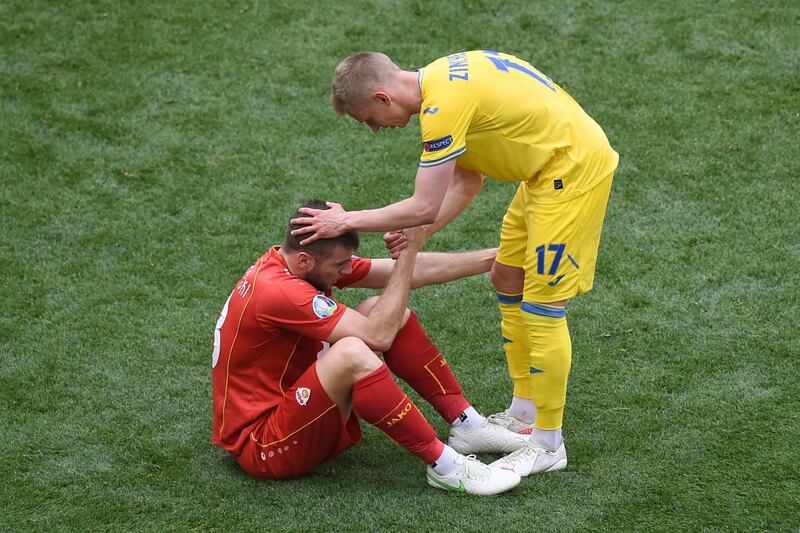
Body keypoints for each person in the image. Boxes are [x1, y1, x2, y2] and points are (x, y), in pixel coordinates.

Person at [290, 51, 619, 476]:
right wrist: (419, 235)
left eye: (367, 118)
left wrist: (346, 219)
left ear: (382, 96)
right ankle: (523, 413)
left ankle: (548, 443)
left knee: (542, 307)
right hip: (544, 172)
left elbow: (424, 204)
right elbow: (468, 179)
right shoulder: (445, 80)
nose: (373, 128)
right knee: (506, 274)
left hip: (571, 174)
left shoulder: (444, 108)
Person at [211, 200, 525, 495]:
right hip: (265, 447)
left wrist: (499, 257)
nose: (347, 271)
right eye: (341, 264)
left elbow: (405, 274)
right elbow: (378, 337)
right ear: (305, 259)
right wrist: (408, 254)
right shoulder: (281, 291)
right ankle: (445, 466)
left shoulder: (295, 264)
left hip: (293, 408)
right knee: (354, 351)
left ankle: (467, 424)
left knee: (384, 309)